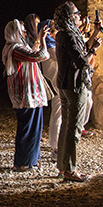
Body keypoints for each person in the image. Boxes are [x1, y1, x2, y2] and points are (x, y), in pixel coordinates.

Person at [53, 2, 102, 182]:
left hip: (64, 84)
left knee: (66, 125)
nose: (79, 16)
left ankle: (62, 166)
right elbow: (82, 61)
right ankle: (70, 170)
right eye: (76, 13)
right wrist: (93, 50)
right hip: (74, 85)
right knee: (74, 128)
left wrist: (94, 35)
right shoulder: (69, 36)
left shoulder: (63, 34)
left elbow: (79, 52)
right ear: (69, 16)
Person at [2, 19, 50, 172]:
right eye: (22, 31)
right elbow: (40, 56)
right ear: (15, 32)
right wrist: (42, 39)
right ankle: (24, 162)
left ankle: (32, 159)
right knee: (29, 128)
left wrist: (37, 41)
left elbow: (33, 52)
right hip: (27, 94)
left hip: (30, 94)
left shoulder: (15, 48)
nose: (24, 33)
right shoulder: (15, 49)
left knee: (34, 127)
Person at [39, 19, 63, 159]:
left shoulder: (49, 44)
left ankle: (55, 145)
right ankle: (55, 147)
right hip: (56, 82)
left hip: (54, 81)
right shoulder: (51, 47)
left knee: (58, 113)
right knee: (57, 114)